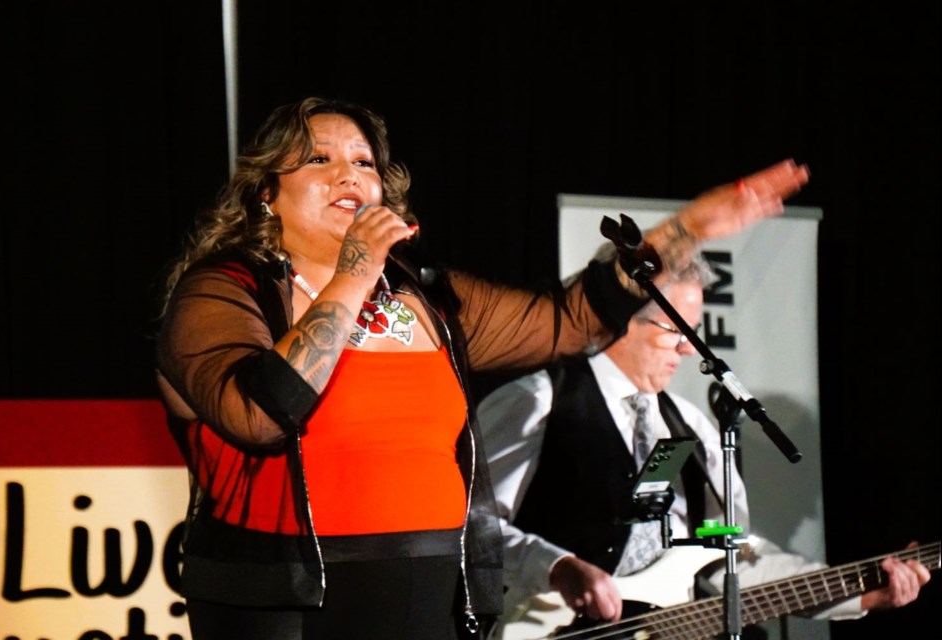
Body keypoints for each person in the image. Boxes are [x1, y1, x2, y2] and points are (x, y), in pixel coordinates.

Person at [154, 94, 811, 640]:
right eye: (318, 160)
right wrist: (353, 273)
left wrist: (690, 225)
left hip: (430, 591)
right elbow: (259, 415)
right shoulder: (225, 291)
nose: (348, 175)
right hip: (289, 604)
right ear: (267, 191)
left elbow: (569, 320)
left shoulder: (428, 300)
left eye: (363, 162)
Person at [476, 251, 933, 639]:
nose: (689, 350)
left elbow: (730, 553)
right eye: (677, 330)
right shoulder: (539, 399)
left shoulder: (690, 426)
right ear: (619, 321)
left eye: (694, 333)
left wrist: (856, 593)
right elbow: (469, 524)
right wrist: (556, 566)